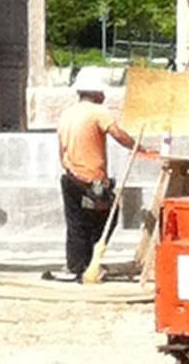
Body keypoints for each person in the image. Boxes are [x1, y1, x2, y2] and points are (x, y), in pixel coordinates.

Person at [50, 66, 139, 282]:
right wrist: (139, 147)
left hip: (70, 177)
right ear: (97, 93)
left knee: (76, 223)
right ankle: (90, 263)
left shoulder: (67, 113)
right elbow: (118, 134)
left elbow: (61, 148)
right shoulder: (99, 112)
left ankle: (76, 265)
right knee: (105, 216)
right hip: (93, 181)